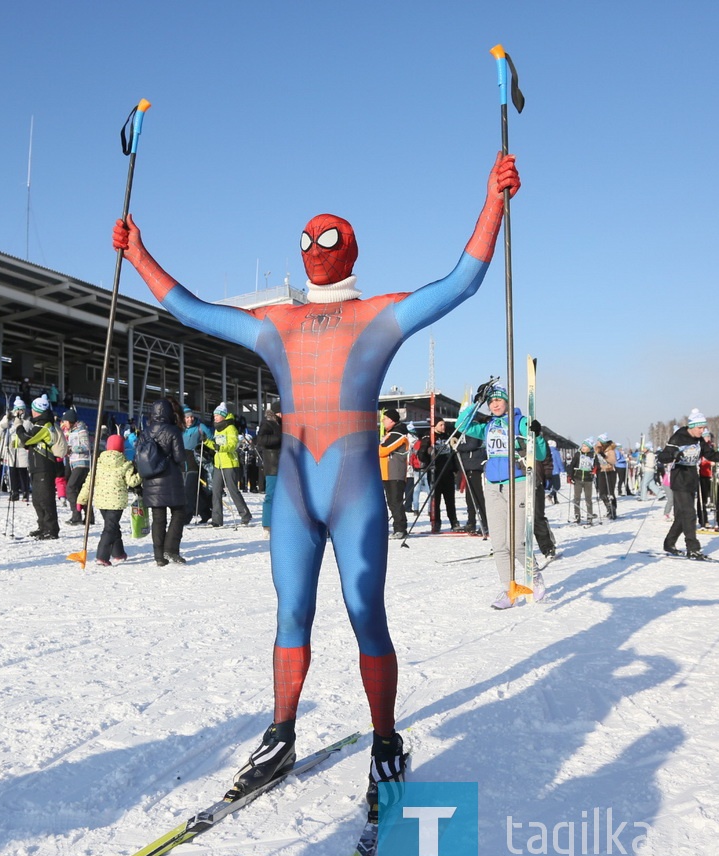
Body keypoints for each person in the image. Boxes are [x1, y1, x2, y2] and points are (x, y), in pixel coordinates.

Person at [113, 150, 519, 812]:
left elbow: (462, 281)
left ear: (350, 249)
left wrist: (493, 204)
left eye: (327, 239)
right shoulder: (278, 322)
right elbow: (188, 309)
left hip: (352, 486)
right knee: (290, 611)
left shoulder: (379, 314)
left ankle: (385, 740)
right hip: (298, 489)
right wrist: (138, 254)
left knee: (366, 616)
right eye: (307, 241)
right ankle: (280, 733)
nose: (315, 249)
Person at [457, 383, 546, 610]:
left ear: (507, 401)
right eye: (491, 402)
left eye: (498, 400)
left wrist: (537, 434)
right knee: (499, 544)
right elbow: (461, 425)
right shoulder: (487, 425)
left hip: (517, 483)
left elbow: (541, 453)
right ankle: (509, 589)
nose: (494, 404)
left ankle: (534, 576)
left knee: (516, 542)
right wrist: (476, 402)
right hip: (493, 487)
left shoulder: (519, 422)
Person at [657, 409, 719, 559]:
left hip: (691, 479)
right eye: (699, 428)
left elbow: (712, 455)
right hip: (679, 479)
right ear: (692, 426)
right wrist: (673, 455)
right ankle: (693, 547)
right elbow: (662, 457)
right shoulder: (678, 437)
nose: (702, 431)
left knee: (683, 515)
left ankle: (669, 543)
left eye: (704, 428)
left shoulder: (700, 440)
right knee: (690, 514)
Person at [78, 433, 141, 564]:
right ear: (122, 449)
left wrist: (81, 499)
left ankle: (118, 553)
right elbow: (132, 482)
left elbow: (89, 483)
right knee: (109, 529)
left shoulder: (98, 463)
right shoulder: (125, 464)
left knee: (112, 527)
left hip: (101, 502)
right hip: (116, 503)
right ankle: (102, 556)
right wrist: (142, 474)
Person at [140, 397, 189, 565]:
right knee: (179, 512)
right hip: (170, 478)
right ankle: (171, 549)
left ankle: (158, 556)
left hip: (151, 479)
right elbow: (179, 457)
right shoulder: (173, 430)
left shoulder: (145, 431)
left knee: (158, 518)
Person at [15, 395, 63, 539]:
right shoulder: (38, 424)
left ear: (38, 411)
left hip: (44, 466)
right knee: (37, 499)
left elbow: (27, 439)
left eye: (34, 410)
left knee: (45, 498)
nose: (32, 412)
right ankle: (42, 526)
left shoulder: (44, 425)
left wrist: (18, 426)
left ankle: (51, 529)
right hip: (36, 466)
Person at [203, 402, 252, 528]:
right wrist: (206, 442)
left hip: (230, 463)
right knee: (216, 490)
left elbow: (232, 445)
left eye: (217, 415)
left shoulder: (231, 428)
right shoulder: (217, 429)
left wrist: (222, 448)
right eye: (214, 415)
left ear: (223, 416)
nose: (215, 417)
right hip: (218, 464)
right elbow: (215, 446)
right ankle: (217, 519)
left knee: (232, 490)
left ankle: (245, 514)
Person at [419, 417, 460, 532]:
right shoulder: (429, 437)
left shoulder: (447, 436)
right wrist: (426, 450)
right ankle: (436, 522)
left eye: (444, 424)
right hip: (435, 472)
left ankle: (454, 521)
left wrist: (455, 468)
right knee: (435, 500)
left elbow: (453, 452)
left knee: (450, 500)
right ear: (434, 426)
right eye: (441, 425)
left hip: (448, 472)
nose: (443, 427)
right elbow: (421, 454)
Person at [378, 408, 409, 539]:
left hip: (394, 473)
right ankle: (397, 527)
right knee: (391, 502)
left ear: (391, 420)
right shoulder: (390, 434)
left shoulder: (398, 434)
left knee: (396, 501)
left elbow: (382, 450)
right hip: (387, 473)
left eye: (384, 419)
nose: (383, 421)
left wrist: (378, 445)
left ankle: (400, 528)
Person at [0, 398, 32, 502]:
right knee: (12, 471)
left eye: (22, 409)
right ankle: (14, 492)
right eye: (18, 409)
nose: (20, 412)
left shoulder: (28, 420)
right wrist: (2, 425)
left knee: (23, 471)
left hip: (22, 448)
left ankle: (25, 492)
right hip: (11, 448)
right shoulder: (8, 418)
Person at [181, 406, 213, 523]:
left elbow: (211, 440)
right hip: (182, 462)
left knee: (189, 490)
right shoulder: (180, 429)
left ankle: (187, 516)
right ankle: (206, 513)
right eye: (187, 417)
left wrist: (204, 442)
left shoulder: (200, 427)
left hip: (195, 462)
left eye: (191, 417)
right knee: (194, 490)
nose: (190, 419)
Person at [61, 408, 92, 525]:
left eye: (65, 421)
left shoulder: (81, 431)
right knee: (80, 491)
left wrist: (72, 449)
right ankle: (89, 516)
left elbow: (86, 446)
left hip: (82, 463)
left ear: (70, 421)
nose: (64, 424)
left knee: (70, 488)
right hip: (75, 463)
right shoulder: (73, 432)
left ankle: (76, 515)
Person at [256, 403, 283, 537]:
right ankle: (267, 524)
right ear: (277, 412)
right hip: (273, 466)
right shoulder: (268, 423)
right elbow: (261, 440)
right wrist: (280, 438)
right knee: (271, 495)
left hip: (284, 466)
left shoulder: (283, 424)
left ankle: (281, 522)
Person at [457, 430, 488, 536]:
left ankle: (485, 522)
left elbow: (472, 445)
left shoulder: (473, 429)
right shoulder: (465, 431)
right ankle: (471, 521)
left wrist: (458, 446)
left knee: (478, 496)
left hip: (474, 466)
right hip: (468, 466)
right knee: (469, 497)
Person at [567, 438, 597, 525]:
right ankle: (577, 516)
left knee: (588, 499)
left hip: (588, 480)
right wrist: (570, 476)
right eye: (583, 445)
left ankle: (589, 516)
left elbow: (596, 465)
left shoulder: (593, 455)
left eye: (585, 446)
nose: (583, 447)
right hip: (578, 479)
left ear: (589, 447)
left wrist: (595, 469)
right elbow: (572, 465)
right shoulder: (578, 454)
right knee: (577, 498)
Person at [594, 434, 618, 520]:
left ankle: (613, 510)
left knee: (610, 493)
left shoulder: (610, 450)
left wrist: (604, 456)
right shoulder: (598, 449)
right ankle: (608, 507)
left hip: (610, 472)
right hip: (601, 472)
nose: (598, 443)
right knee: (602, 493)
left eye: (600, 442)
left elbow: (613, 461)